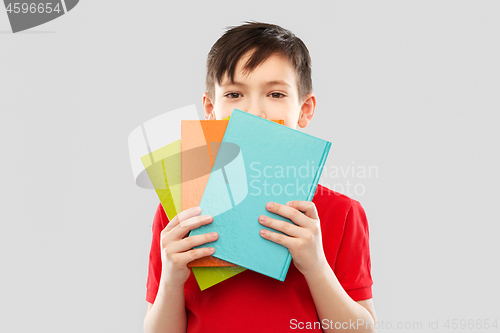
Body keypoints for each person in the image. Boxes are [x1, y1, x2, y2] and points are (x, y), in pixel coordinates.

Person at [143, 21, 377, 333]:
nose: (254, 112)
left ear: (305, 109)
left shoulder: (342, 213)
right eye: (235, 94)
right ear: (210, 109)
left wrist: (315, 265)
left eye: (276, 93)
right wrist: (172, 279)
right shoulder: (180, 209)